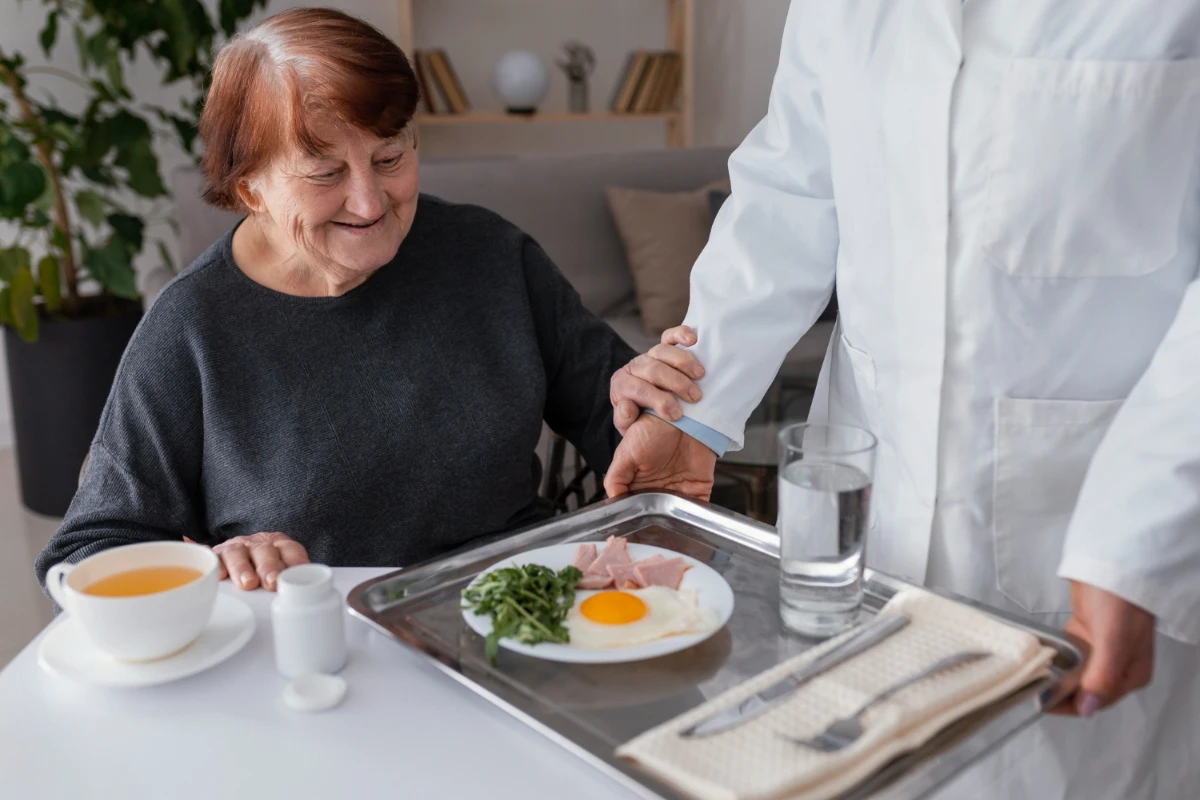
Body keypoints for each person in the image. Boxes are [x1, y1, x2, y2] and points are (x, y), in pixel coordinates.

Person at [603, 2, 1200, 798]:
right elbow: (790, 192)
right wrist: (697, 410)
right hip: (859, 534)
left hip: (1095, 537)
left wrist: (1134, 542)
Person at [34, 8, 698, 593]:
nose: (369, 201)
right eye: (325, 172)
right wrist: (216, 566)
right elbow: (85, 553)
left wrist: (655, 413)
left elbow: (620, 422)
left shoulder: (489, 254)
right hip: (321, 653)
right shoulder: (193, 327)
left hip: (518, 616)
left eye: (390, 157)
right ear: (248, 187)